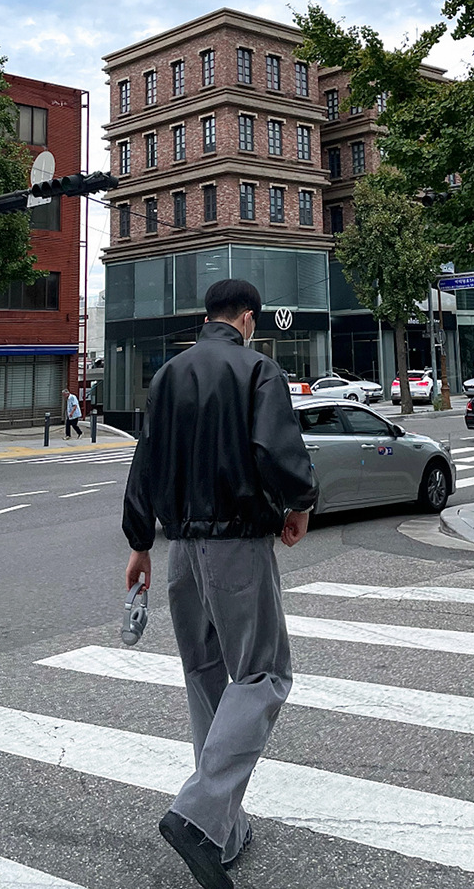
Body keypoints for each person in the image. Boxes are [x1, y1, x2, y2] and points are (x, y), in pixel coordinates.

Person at [122, 279, 317, 889]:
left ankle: (223, 831)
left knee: (205, 677)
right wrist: (300, 504)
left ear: (206, 316)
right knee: (263, 675)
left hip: (181, 550)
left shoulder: (168, 375)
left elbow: (145, 463)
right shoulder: (257, 370)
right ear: (249, 318)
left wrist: (139, 545)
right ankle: (199, 815)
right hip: (237, 541)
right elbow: (275, 450)